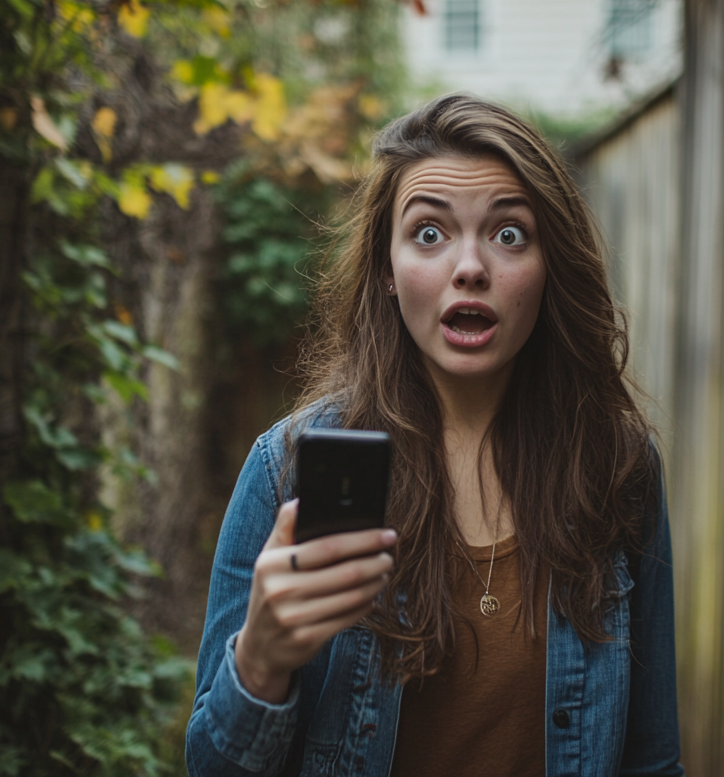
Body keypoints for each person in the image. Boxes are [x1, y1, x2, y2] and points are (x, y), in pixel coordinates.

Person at [186, 94, 683, 777]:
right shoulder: (286, 470)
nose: (470, 266)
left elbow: (652, 761)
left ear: (549, 267)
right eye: (429, 233)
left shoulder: (616, 467)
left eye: (510, 234)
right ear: (387, 272)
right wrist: (262, 661)